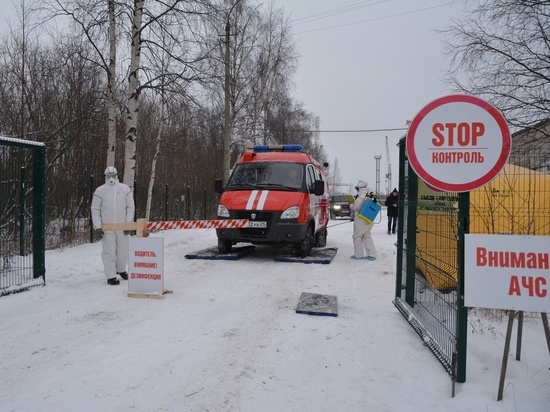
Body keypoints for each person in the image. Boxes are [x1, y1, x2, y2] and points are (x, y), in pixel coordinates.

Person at [91, 166, 135, 285]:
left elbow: (130, 207)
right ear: (105, 177)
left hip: (122, 227)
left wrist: (128, 225)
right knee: (109, 251)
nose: (111, 178)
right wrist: (98, 226)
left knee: (123, 251)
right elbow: (95, 209)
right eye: (108, 176)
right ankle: (110, 276)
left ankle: (121, 269)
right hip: (107, 227)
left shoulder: (124, 189)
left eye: (113, 176)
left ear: (117, 176)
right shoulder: (100, 191)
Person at [351, 180, 377, 260]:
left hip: (361, 219)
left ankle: (358, 255)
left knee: (357, 236)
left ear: (358, 188)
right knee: (367, 236)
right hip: (368, 219)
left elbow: (356, 207)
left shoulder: (361, 196)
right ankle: (372, 254)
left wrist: (351, 204)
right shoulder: (369, 195)